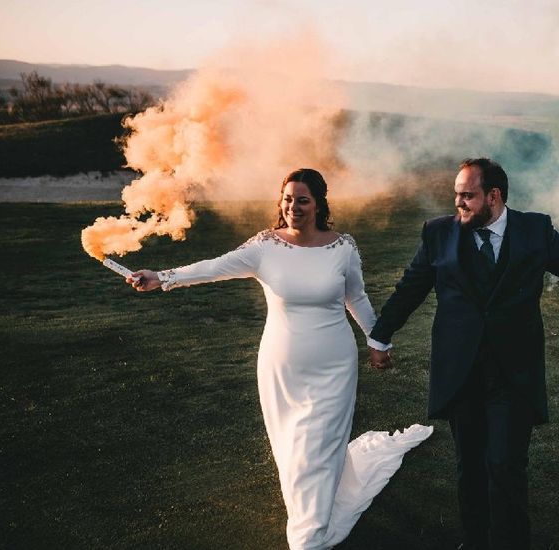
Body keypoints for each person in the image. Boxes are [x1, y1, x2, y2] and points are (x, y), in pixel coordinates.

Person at [367, 158, 559, 549]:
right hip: (459, 373)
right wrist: (380, 337)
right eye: (457, 195)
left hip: (513, 373)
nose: (458, 203)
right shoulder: (438, 234)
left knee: (505, 465)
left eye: (468, 195)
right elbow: (411, 287)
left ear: (494, 196)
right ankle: (475, 541)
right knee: (471, 469)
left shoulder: (535, 231)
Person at [127, 168, 432, 550]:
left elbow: (356, 297)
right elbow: (213, 267)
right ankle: (312, 509)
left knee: (318, 443)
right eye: (287, 199)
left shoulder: (343, 248)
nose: (293, 207)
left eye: (302, 200)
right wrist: (162, 277)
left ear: (319, 204)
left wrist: (377, 339)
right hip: (281, 366)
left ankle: (310, 535)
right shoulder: (265, 247)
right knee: (293, 446)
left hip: (334, 365)